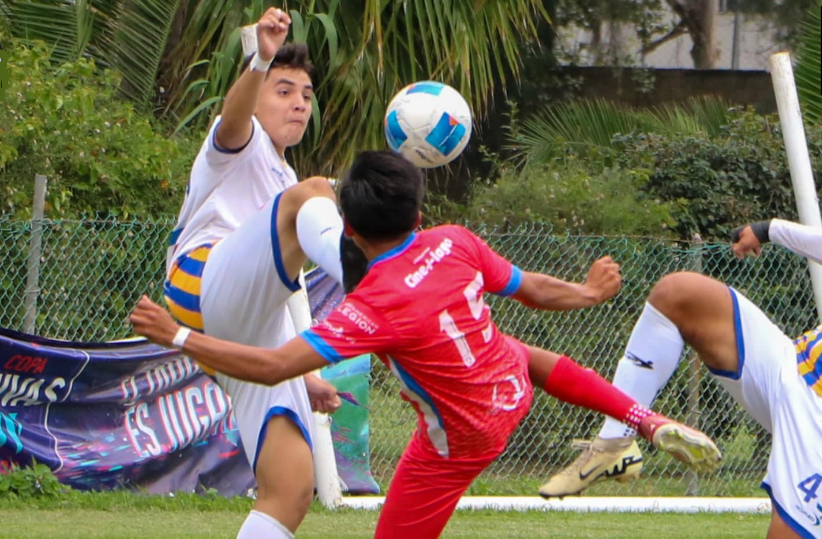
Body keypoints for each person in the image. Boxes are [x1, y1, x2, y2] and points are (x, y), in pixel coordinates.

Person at [135, 150, 720, 539]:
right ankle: (641, 419)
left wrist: (180, 334)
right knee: (519, 353)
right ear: (420, 211)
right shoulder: (454, 240)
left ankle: (635, 424)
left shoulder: (369, 308)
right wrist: (590, 293)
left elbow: (272, 367)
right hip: (506, 387)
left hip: (460, 438)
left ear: (353, 232)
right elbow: (534, 290)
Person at [163, 8, 348, 538]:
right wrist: (261, 59)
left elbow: (277, 294)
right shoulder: (240, 148)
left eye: (306, 95)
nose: (298, 103)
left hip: (243, 330)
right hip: (201, 284)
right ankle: (376, 281)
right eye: (284, 90)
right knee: (312, 194)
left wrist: (306, 373)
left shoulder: (283, 175)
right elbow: (234, 115)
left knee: (290, 489)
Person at [540, 217, 822, 539]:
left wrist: (771, 230)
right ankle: (615, 442)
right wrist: (768, 230)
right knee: (679, 294)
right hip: (795, 361)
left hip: (815, 419)